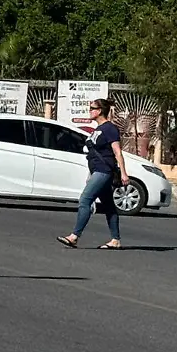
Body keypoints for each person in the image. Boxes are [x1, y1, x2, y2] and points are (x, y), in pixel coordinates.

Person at [57, 98, 127, 250]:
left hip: (104, 170)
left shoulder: (110, 129)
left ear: (100, 111)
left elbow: (117, 152)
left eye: (92, 108)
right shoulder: (98, 129)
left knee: (85, 200)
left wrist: (123, 173)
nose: (89, 110)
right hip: (96, 170)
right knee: (109, 206)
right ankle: (115, 240)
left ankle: (74, 236)